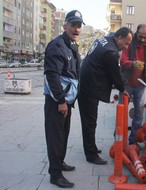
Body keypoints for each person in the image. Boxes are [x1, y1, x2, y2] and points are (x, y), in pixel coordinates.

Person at [78, 27, 133, 165]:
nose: (126, 47)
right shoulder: (111, 51)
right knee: (90, 122)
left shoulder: (106, 39)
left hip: (86, 83)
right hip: (89, 87)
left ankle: (92, 148)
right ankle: (91, 155)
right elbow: (114, 74)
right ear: (119, 38)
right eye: (126, 43)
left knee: (91, 121)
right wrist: (122, 89)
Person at [43, 10, 84, 188]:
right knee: (55, 138)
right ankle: (55, 174)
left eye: (78, 26)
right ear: (65, 25)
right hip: (56, 102)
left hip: (66, 101)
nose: (76, 29)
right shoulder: (57, 46)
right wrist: (60, 101)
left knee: (63, 135)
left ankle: (60, 163)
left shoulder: (71, 45)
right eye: (73, 25)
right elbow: (52, 76)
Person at [120, 24, 146, 145]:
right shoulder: (129, 42)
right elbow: (123, 61)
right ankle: (119, 139)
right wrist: (133, 63)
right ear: (136, 33)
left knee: (139, 115)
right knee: (122, 112)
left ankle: (132, 141)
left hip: (141, 84)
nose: (143, 39)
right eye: (141, 36)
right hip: (126, 83)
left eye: (145, 37)